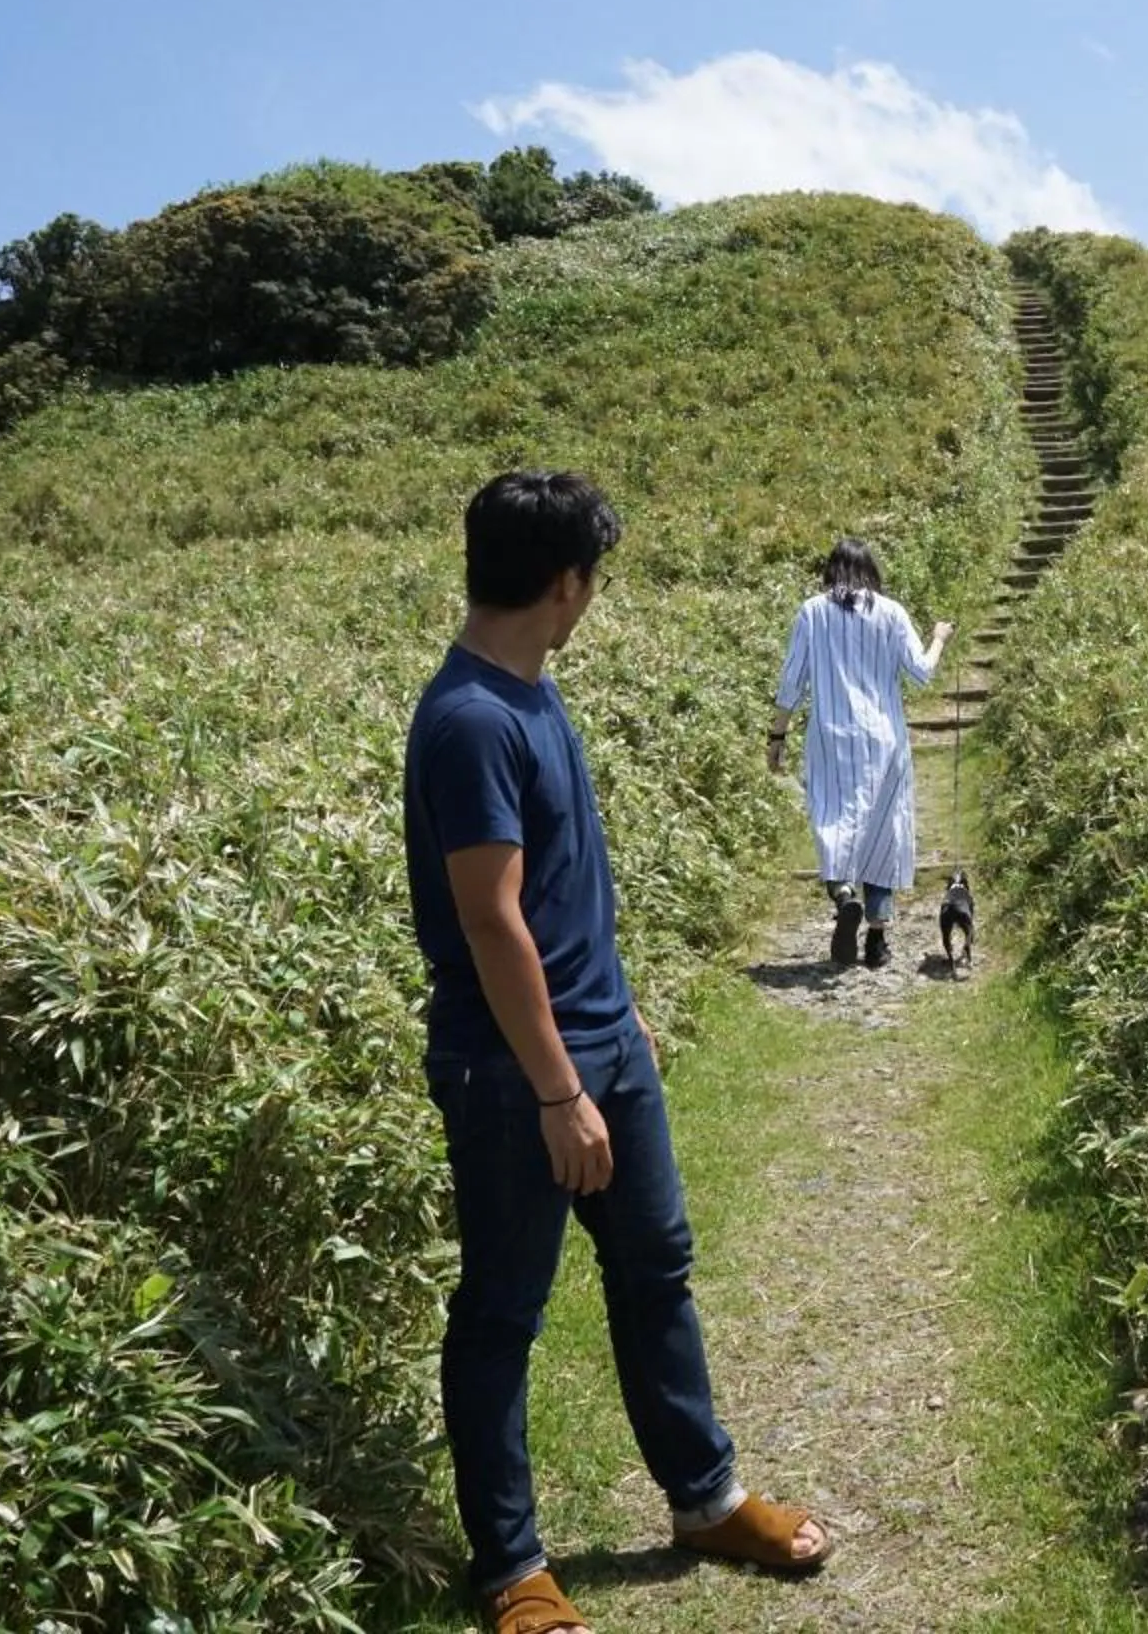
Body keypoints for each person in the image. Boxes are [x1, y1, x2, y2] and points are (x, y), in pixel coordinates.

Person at [405, 470, 828, 1634]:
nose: (593, 596)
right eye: (592, 577)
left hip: (602, 1042)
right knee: (501, 1310)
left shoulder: (530, 693)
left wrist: (619, 1014)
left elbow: (558, 894)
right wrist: (556, 1086)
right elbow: (490, 920)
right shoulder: (472, 720)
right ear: (562, 582)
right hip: (515, 1076)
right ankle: (511, 1568)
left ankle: (706, 1499)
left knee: (656, 1270)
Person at [766, 537, 952, 969]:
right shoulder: (891, 613)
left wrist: (776, 738)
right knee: (883, 833)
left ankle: (843, 894)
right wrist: (939, 637)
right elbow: (922, 673)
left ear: (831, 572)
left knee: (834, 820)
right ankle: (877, 941)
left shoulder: (812, 611)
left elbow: (791, 682)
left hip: (831, 738)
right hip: (885, 740)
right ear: (871, 572)